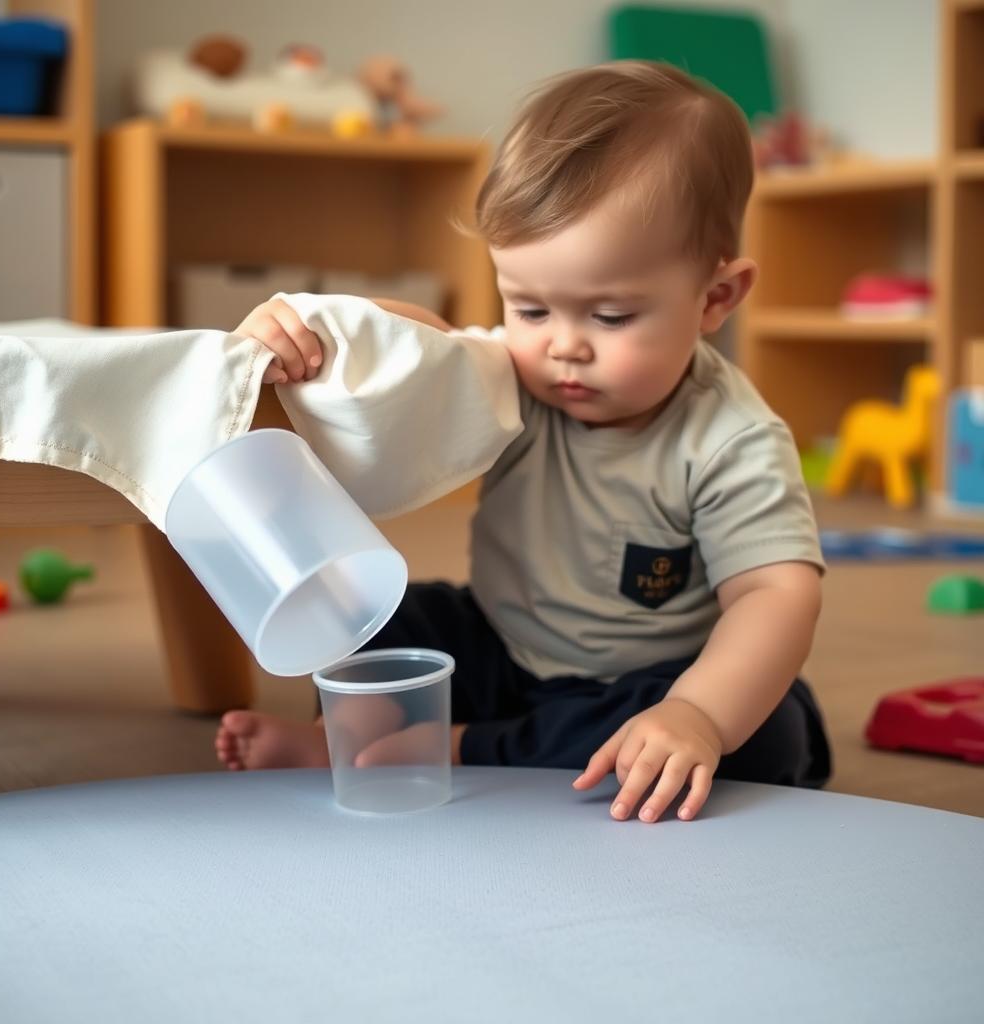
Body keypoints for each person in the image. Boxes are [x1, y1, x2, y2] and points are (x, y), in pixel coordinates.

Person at [215, 60, 831, 823]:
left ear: (715, 298)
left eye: (609, 318)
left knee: (766, 735)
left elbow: (777, 594)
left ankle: (454, 744)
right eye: (531, 309)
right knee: (384, 609)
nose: (563, 348)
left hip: (643, 683)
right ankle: (344, 732)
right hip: (502, 645)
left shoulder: (730, 439)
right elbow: (412, 345)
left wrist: (699, 715)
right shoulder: (517, 375)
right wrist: (305, 325)